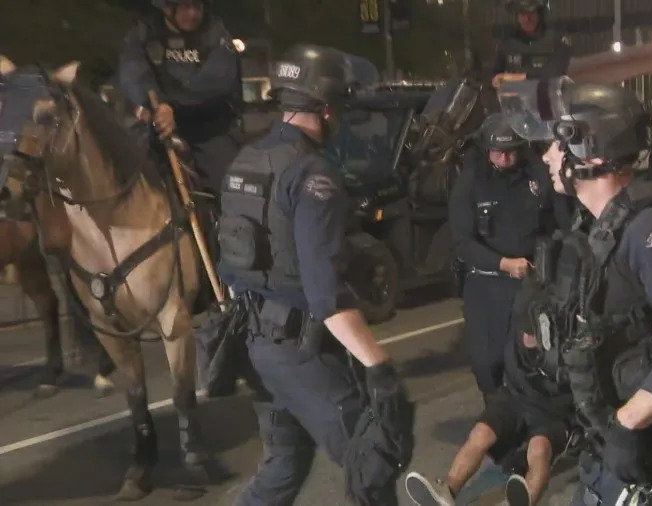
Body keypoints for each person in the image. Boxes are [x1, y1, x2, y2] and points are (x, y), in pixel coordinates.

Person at [497, 76, 652, 506]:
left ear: (591, 150)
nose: (549, 155)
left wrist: (627, 424)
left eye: (557, 143)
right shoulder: (597, 227)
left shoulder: (649, 229)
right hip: (610, 456)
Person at [216, 44, 415, 506]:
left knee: (285, 464)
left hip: (254, 343)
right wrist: (378, 363)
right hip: (298, 348)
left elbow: (234, 259)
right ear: (326, 108)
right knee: (372, 456)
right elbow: (325, 294)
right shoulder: (312, 175)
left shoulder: (246, 161)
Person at [449, 112, 572, 401]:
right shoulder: (469, 184)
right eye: (498, 153)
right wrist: (502, 264)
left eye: (511, 152)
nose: (504, 159)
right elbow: (463, 242)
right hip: (486, 285)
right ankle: (497, 418)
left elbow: (564, 225)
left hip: (532, 282)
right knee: (487, 362)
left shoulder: (540, 177)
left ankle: (535, 425)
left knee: (532, 360)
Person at [404, 327, 573, 506]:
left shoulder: (577, 319)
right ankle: (448, 490)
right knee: (481, 433)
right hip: (517, 393)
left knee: (539, 449)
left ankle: (526, 500)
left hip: (553, 406)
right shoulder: (527, 306)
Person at [117, 0, 242, 195]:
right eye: (185, 6)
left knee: (232, 185)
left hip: (209, 129)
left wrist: (174, 108)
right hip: (157, 126)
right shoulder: (143, 35)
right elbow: (133, 74)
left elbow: (218, 82)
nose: (192, 13)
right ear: (167, 7)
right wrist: (153, 104)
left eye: (197, 6)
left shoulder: (217, 34)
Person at [491, 0, 572, 90]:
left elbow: (555, 72)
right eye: (522, 14)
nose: (527, 19)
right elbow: (496, 76)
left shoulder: (558, 39)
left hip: (549, 98)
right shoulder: (508, 43)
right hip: (516, 100)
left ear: (540, 14)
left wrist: (517, 77)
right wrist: (497, 81)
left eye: (531, 13)